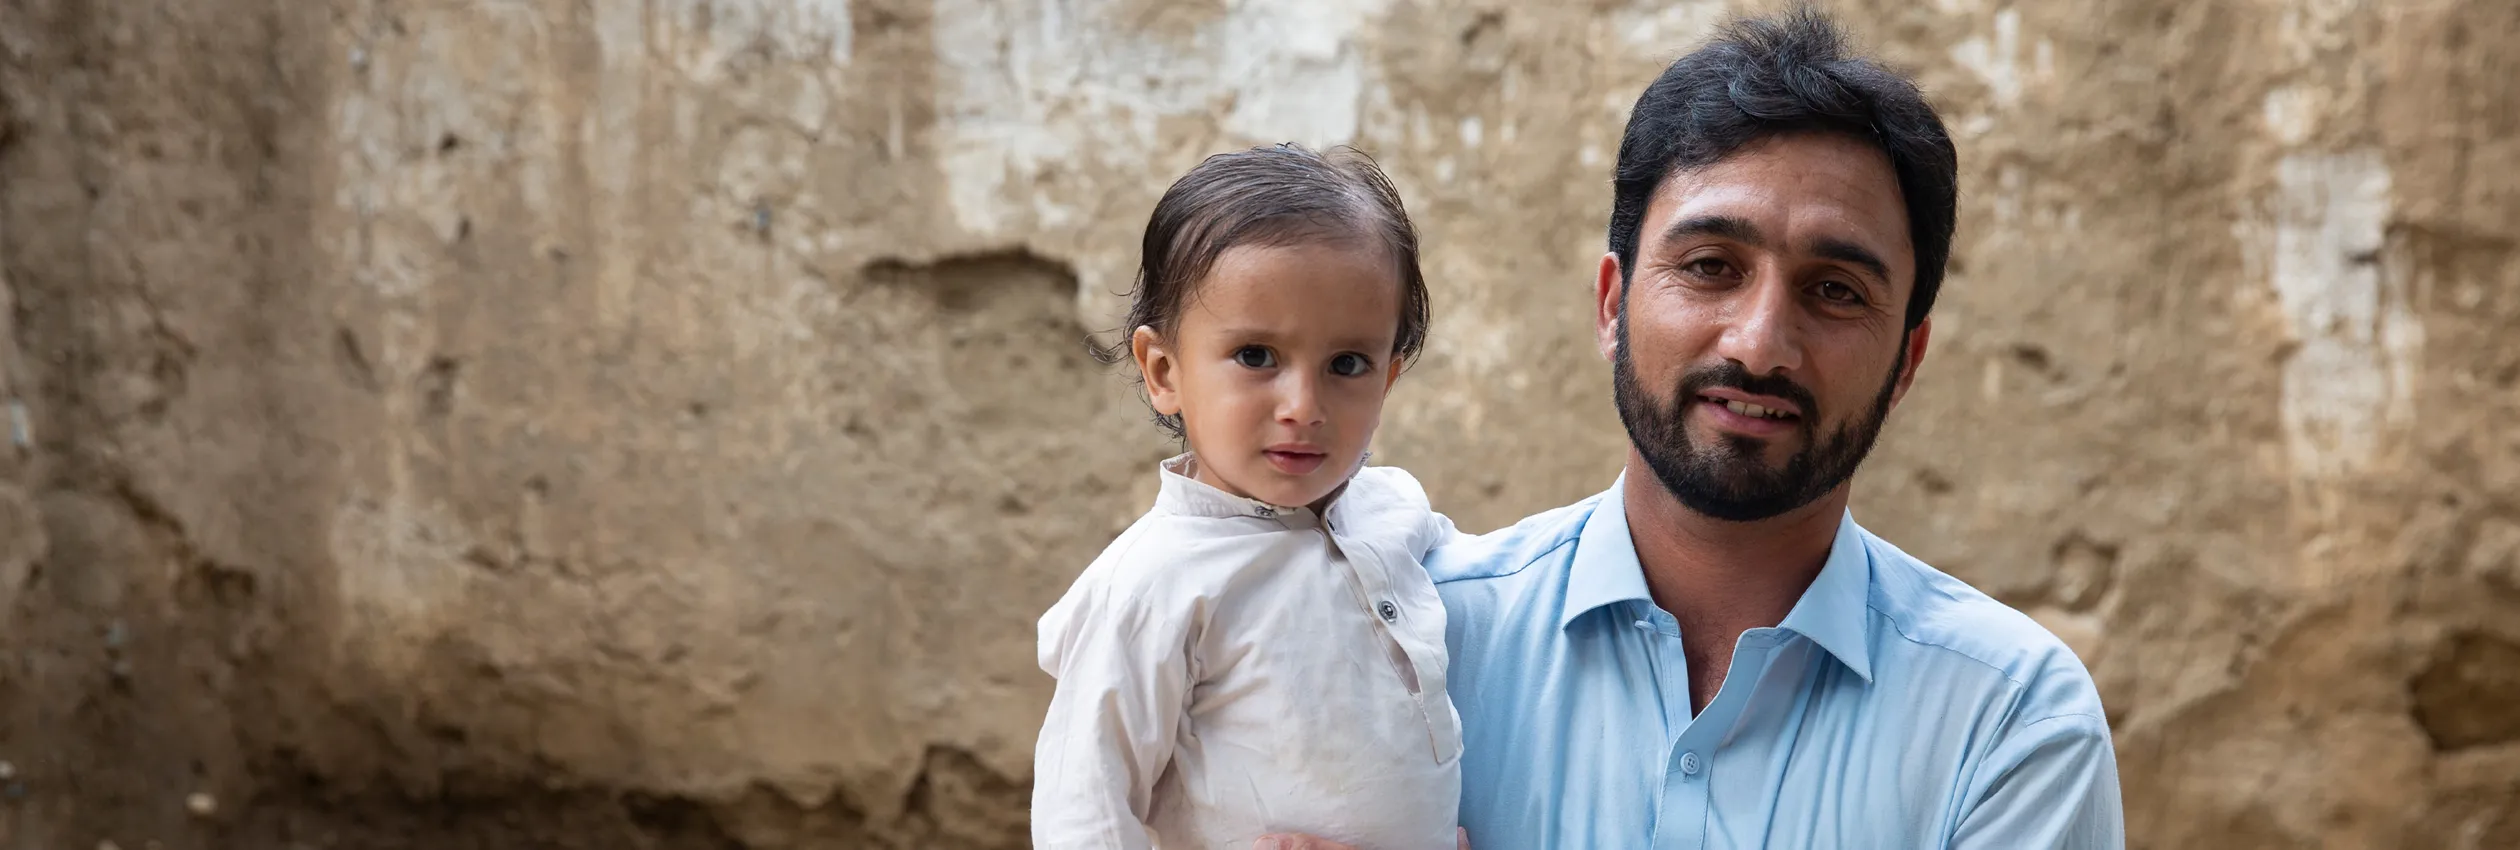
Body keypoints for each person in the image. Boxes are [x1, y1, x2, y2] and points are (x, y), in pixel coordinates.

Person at [1258, 8, 2124, 850]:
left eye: (1835, 291)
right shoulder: (1416, 643)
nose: (1760, 344)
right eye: (1711, 267)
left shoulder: (2009, 721)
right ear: (1612, 305)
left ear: (1906, 360)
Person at [1031, 143, 1467, 850]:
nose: (1303, 406)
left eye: (1346, 364)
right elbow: (1084, 818)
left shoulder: (1395, 511)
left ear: (1387, 380)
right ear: (1163, 371)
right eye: (1256, 356)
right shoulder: (1151, 587)